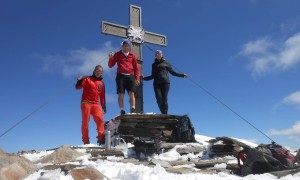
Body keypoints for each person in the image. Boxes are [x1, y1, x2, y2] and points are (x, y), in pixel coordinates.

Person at [143, 50, 188, 114]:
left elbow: (173, 73)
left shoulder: (166, 62)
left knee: (164, 99)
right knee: (159, 98)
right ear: (155, 55)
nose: (157, 54)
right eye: (156, 53)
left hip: (165, 83)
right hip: (156, 84)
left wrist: (182, 75)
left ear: (162, 54)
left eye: (159, 53)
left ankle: (165, 113)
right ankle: (163, 112)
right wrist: (143, 78)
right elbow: (152, 76)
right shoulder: (153, 65)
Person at [75, 65, 106, 145]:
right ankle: (86, 141)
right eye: (97, 70)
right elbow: (78, 87)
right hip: (86, 103)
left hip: (96, 104)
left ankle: (101, 139)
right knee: (85, 122)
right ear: (94, 71)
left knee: (100, 121)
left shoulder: (101, 83)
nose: (99, 72)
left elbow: (102, 96)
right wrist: (79, 80)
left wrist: (103, 106)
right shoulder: (87, 79)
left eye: (101, 71)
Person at [108, 40, 140, 114]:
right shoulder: (117, 54)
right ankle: (122, 109)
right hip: (120, 76)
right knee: (121, 93)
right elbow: (110, 65)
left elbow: (136, 68)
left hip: (130, 76)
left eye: (128, 45)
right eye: (125, 45)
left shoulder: (132, 55)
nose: (126, 47)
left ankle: (133, 108)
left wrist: (137, 78)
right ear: (122, 46)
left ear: (129, 47)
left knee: (131, 93)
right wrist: (110, 58)